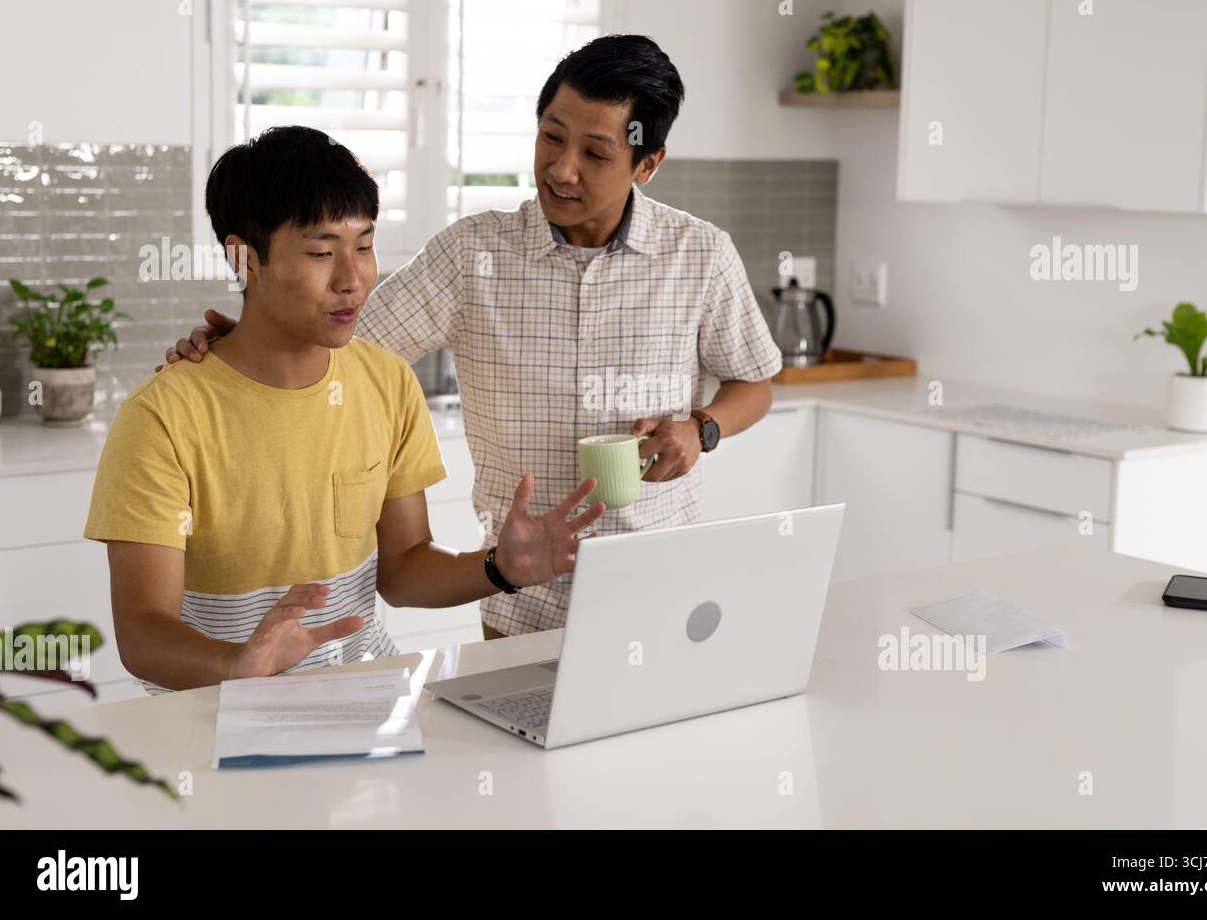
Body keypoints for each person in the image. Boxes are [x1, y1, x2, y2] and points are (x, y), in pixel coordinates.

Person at [164, 35, 782, 641]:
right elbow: (343, 337)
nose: (561, 169)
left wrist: (702, 429)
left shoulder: (699, 255)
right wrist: (239, 340)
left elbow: (754, 382)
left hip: (660, 584)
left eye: (594, 154)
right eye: (551, 136)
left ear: (647, 163)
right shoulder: (472, 254)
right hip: (521, 600)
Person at [88, 126, 602, 693]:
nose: (352, 279)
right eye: (320, 252)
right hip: (214, 712)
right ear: (244, 257)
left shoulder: (385, 382)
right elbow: (142, 633)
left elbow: (403, 569)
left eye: (363, 245)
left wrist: (498, 569)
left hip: (368, 696)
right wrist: (237, 666)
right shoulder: (163, 418)